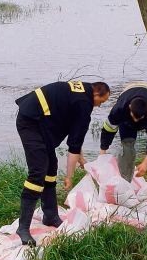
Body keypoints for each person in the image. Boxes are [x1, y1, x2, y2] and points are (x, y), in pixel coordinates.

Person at [15, 80, 110, 246]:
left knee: (51, 166)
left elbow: (75, 140)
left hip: (42, 121)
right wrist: (69, 177)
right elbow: (73, 147)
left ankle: (50, 216)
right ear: (96, 94)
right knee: (38, 172)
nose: (99, 106)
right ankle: (23, 227)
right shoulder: (84, 104)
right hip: (31, 121)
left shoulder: (83, 92)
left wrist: (81, 159)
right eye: (101, 102)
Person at [99, 82, 147, 182]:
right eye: (134, 117)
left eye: (139, 118)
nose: (136, 121)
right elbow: (108, 131)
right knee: (127, 146)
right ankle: (125, 181)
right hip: (127, 117)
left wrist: (146, 162)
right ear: (130, 107)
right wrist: (102, 153)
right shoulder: (119, 109)